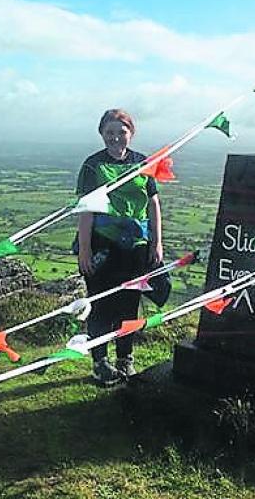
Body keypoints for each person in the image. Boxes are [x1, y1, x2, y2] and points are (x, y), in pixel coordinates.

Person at [76, 109, 163, 386]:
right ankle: (100, 363)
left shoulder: (143, 163)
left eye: (121, 131)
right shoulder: (93, 166)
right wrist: (85, 250)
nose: (115, 137)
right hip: (103, 244)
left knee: (129, 304)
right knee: (101, 304)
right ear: (102, 134)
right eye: (109, 132)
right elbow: (87, 210)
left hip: (136, 246)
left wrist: (157, 242)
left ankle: (125, 360)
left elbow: (153, 203)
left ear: (131, 133)